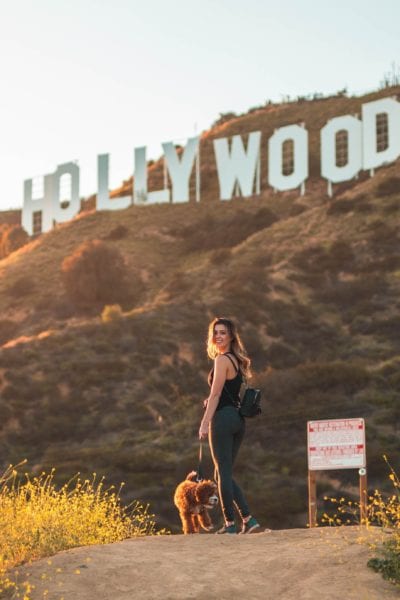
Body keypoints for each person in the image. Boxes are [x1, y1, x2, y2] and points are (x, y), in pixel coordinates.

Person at [199, 316, 260, 534]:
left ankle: (230, 524)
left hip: (223, 420)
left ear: (231, 336)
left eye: (223, 332)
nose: (218, 336)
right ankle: (249, 519)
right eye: (215, 332)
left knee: (222, 473)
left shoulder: (222, 360)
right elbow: (226, 393)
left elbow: (215, 395)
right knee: (222, 473)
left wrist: (204, 423)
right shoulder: (237, 360)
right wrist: (212, 402)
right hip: (237, 420)